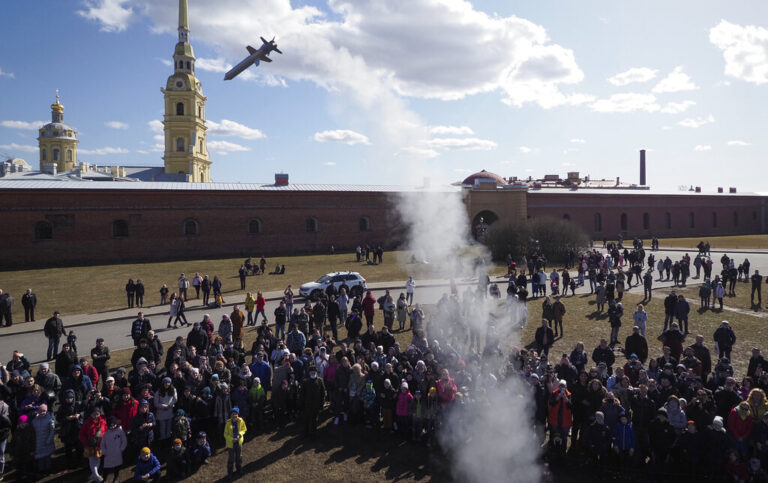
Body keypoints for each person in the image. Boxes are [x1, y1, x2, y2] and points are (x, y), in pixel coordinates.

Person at [79, 407, 107, 482]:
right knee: (92, 459)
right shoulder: (87, 423)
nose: (95, 415)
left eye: (97, 414)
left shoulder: (103, 421)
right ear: (90, 414)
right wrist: (86, 442)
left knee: (98, 459)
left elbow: (106, 431)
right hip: (90, 445)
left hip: (100, 445)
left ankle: (94, 474)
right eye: (93, 414)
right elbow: (81, 434)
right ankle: (96, 475)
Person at [300, 366, 326, 438]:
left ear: (316, 372)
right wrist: (301, 404)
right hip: (307, 404)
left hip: (316, 405)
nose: (313, 372)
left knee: (314, 420)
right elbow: (302, 394)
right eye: (311, 371)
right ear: (309, 372)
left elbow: (323, 393)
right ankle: (306, 433)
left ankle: (313, 434)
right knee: (307, 419)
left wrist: (322, 403)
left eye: (314, 371)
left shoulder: (320, 381)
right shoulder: (305, 381)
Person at [100, 416, 127, 483]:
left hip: (118, 452)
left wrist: (121, 448)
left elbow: (124, 441)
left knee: (117, 466)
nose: (112, 427)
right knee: (106, 467)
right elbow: (102, 444)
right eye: (110, 426)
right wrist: (104, 451)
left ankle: (116, 477)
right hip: (108, 453)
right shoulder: (106, 434)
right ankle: (105, 479)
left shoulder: (120, 431)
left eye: (113, 425)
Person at [31, 403, 55, 475]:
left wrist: (49, 439)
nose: (42, 412)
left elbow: (52, 430)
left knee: (47, 457)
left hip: (47, 442)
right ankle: (41, 470)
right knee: (40, 457)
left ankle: (48, 470)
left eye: (44, 411)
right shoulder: (35, 420)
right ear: (38, 411)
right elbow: (33, 432)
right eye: (41, 411)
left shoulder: (49, 419)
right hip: (38, 442)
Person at [224, 407, 247, 479]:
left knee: (239, 457)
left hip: (239, 442)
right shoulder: (228, 423)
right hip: (231, 444)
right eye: (233, 414)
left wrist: (240, 434)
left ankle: (239, 470)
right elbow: (225, 434)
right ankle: (230, 473)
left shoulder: (241, 421)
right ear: (231, 415)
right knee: (231, 459)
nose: (234, 416)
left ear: (238, 414)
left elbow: (244, 429)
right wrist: (231, 439)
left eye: (236, 414)